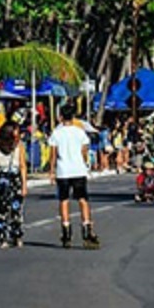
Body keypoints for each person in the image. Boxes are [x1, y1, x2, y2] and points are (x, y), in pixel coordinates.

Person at [46, 103, 100, 249]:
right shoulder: (80, 132)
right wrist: (85, 164)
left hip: (63, 171)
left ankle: (66, 232)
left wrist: (51, 171)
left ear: (60, 117)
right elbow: (84, 151)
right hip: (78, 170)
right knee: (83, 200)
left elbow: (53, 154)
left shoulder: (56, 133)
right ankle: (87, 229)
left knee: (64, 201)